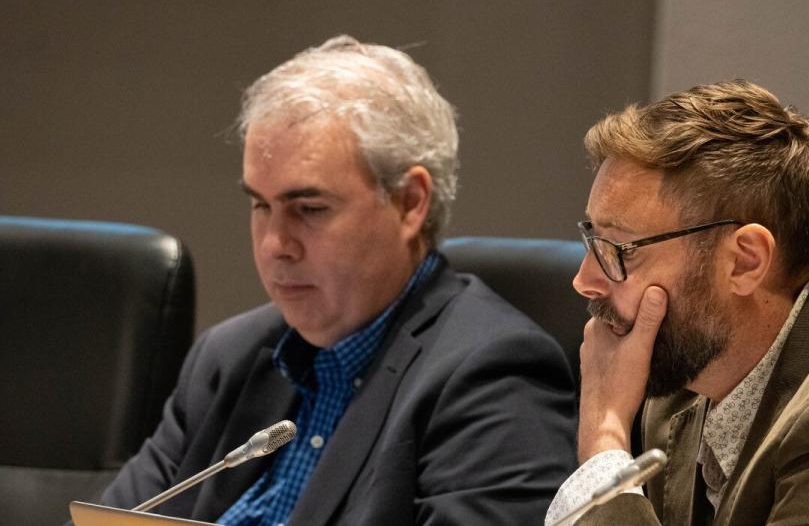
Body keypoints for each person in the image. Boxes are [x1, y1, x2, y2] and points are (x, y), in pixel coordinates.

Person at [94, 35, 577, 525]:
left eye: (309, 209)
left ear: (410, 202)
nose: (273, 244)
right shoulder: (228, 358)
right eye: (261, 205)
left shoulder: (491, 376)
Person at [545, 80, 809, 525]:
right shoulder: (684, 381)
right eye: (592, 238)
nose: (584, 280)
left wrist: (604, 439)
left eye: (620, 249)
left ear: (744, 261)